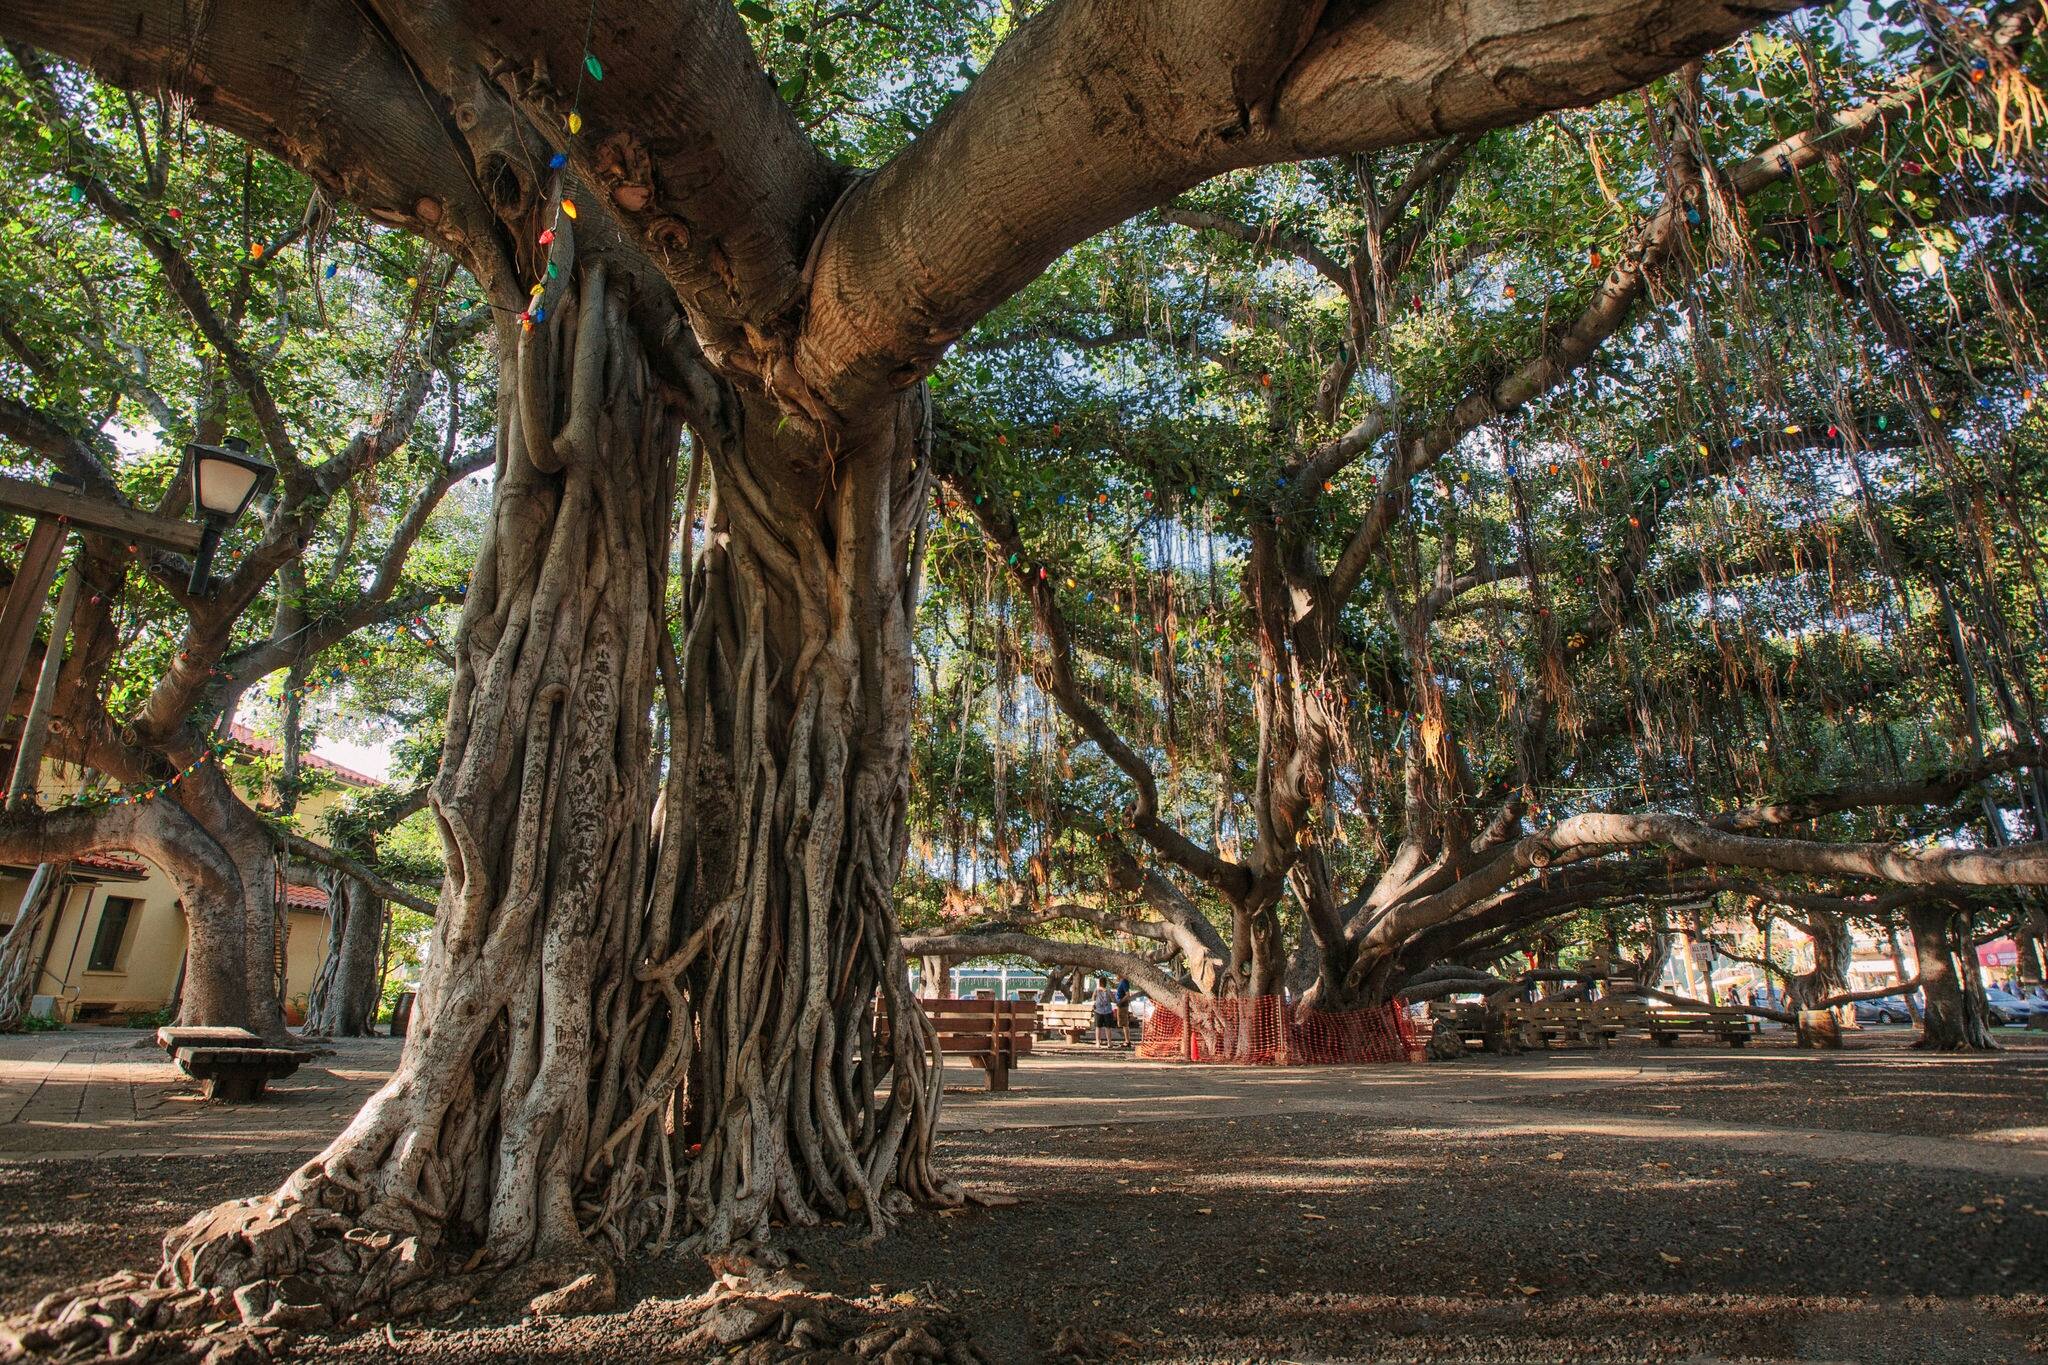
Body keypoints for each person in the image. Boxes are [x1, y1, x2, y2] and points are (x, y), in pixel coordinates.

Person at [1092, 978, 1116, 1048]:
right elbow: (1113, 1000)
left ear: (1099, 983)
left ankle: (1098, 1043)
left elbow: (1093, 998)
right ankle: (1109, 1042)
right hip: (1107, 1011)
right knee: (1108, 1027)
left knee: (1098, 1027)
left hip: (1098, 1010)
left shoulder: (1096, 990)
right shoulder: (1108, 990)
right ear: (1106, 983)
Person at [1115, 977, 1132, 1045]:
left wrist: (1121, 1001)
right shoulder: (1121, 981)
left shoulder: (1124, 981)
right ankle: (1126, 1040)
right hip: (1120, 1005)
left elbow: (1127, 995)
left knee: (1125, 1023)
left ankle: (1127, 1041)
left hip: (1123, 1005)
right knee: (1123, 1023)